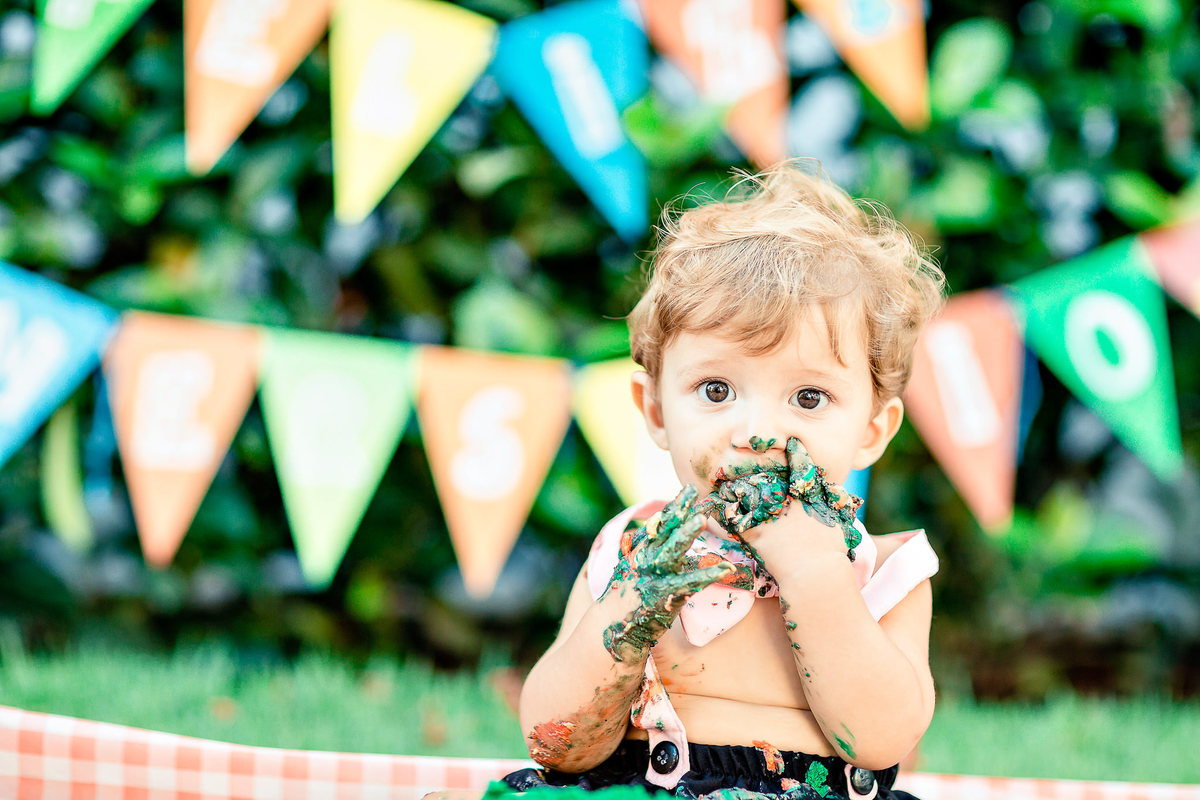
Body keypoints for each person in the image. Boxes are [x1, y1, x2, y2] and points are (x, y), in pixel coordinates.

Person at [503, 162, 946, 800]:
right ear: (656, 410)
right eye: (717, 390)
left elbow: (881, 738)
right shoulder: (633, 547)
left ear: (873, 430)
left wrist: (815, 577)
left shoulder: (883, 572)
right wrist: (637, 601)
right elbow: (557, 742)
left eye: (810, 397)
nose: (757, 431)